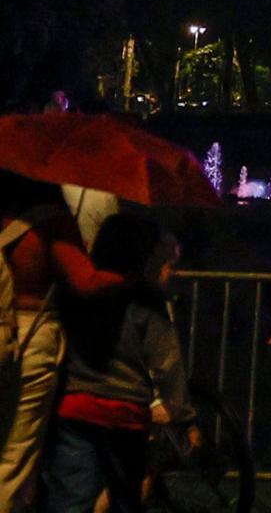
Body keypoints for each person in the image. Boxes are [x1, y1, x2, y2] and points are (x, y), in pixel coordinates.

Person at [41, 212, 183, 513]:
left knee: (70, 497)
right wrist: (179, 410)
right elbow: (167, 361)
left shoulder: (79, 289)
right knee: (124, 497)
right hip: (126, 412)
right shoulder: (146, 297)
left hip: (75, 405)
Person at [3, 172, 123, 513]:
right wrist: (130, 279)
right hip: (31, 333)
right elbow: (85, 281)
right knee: (15, 453)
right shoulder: (52, 220)